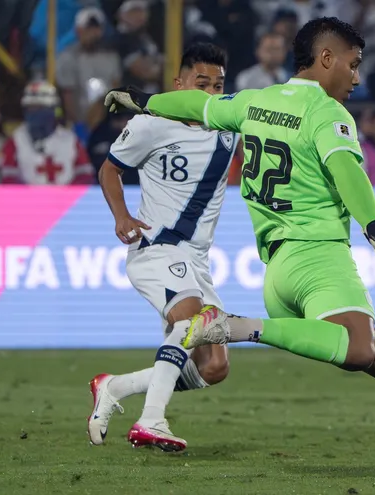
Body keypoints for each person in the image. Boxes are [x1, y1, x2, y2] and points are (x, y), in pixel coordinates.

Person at [104, 17, 375, 479]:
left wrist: (145, 101)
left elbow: (193, 105)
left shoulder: (255, 101)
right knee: (361, 351)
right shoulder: (326, 113)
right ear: (326, 58)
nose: (356, 77)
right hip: (319, 259)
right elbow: (348, 172)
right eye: (353, 63)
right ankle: (234, 326)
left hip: (278, 273)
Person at [88, 43, 235, 451]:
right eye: (200, 83)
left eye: (218, 85)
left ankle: (114, 387)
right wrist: (121, 216)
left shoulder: (230, 127)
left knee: (214, 365)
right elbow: (110, 170)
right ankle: (151, 420)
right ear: (179, 84)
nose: (209, 93)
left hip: (196, 261)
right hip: (156, 248)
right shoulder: (150, 124)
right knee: (189, 320)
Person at [1, 81, 93, 185]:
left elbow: (85, 175)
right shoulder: (15, 141)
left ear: (52, 110)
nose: (33, 114)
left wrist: (67, 196)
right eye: (30, 108)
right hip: (27, 200)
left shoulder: (71, 140)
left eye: (38, 108)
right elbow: (8, 179)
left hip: (68, 200)